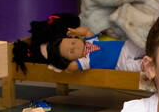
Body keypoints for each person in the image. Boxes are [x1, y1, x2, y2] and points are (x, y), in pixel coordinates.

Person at [11, 13, 143, 73]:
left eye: (73, 43)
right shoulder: (85, 61)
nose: (76, 47)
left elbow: (87, 31)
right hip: (120, 64)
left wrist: (76, 31)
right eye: (72, 51)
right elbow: (71, 68)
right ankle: (153, 64)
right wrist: (63, 65)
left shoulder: (89, 41)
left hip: (124, 48)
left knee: (140, 44)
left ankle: (155, 50)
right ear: (69, 59)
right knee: (139, 66)